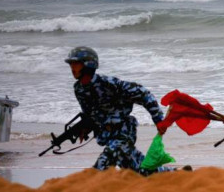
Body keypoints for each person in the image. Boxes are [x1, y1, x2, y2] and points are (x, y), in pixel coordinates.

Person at [65, 46, 175, 175]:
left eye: (76, 64)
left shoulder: (108, 83)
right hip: (108, 136)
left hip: (124, 132)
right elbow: (90, 114)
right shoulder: (79, 89)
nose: (72, 68)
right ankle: (177, 174)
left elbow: (143, 94)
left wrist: (158, 120)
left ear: (88, 65)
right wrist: (84, 128)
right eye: (71, 64)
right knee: (140, 171)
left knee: (103, 164)